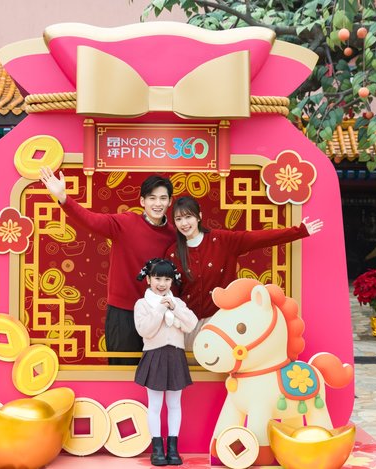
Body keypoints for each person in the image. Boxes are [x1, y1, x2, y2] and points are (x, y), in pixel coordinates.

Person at [39, 168, 175, 365]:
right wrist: (63, 197)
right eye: (152, 198)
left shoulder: (174, 235)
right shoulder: (125, 222)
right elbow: (91, 220)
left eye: (163, 198)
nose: (158, 203)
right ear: (142, 201)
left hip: (158, 313)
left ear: (170, 202)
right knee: (122, 370)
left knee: (156, 371)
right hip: (123, 313)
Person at [166, 196, 323, 350]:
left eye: (188, 217)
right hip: (186, 325)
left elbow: (259, 238)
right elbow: (170, 294)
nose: (184, 223)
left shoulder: (222, 240)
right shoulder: (172, 253)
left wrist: (299, 231)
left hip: (221, 322)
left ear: (199, 216)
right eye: (179, 219)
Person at [134, 258, 197, 466]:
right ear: (148, 279)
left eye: (167, 279)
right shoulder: (142, 304)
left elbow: (191, 324)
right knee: (154, 405)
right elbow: (145, 331)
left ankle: (172, 449)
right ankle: (157, 450)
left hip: (175, 356)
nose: (162, 284)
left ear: (172, 281)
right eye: (157, 278)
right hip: (154, 356)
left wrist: (174, 308)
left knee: (174, 405)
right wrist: (160, 310)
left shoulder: (178, 303)